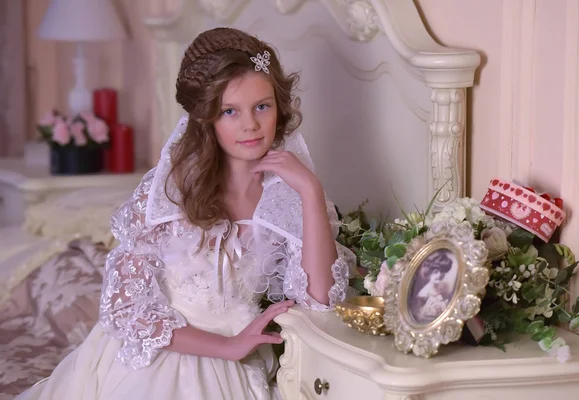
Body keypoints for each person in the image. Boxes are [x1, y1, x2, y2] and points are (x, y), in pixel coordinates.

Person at [17, 27, 355, 400]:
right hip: (165, 356)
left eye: (262, 105)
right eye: (230, 111)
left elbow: (321, 300)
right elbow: (124, 308)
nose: (251, 125)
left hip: (241, 366)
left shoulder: (288, 193)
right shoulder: (169, 191)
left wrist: (310, 190)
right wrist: (227, 347)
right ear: (206, 119)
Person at [412, 250, 454, 324]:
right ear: (429, 273)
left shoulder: (437, 289)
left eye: (442, 272)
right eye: (436, 272)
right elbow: (417, 314)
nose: (439, 275)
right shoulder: (424, 292)